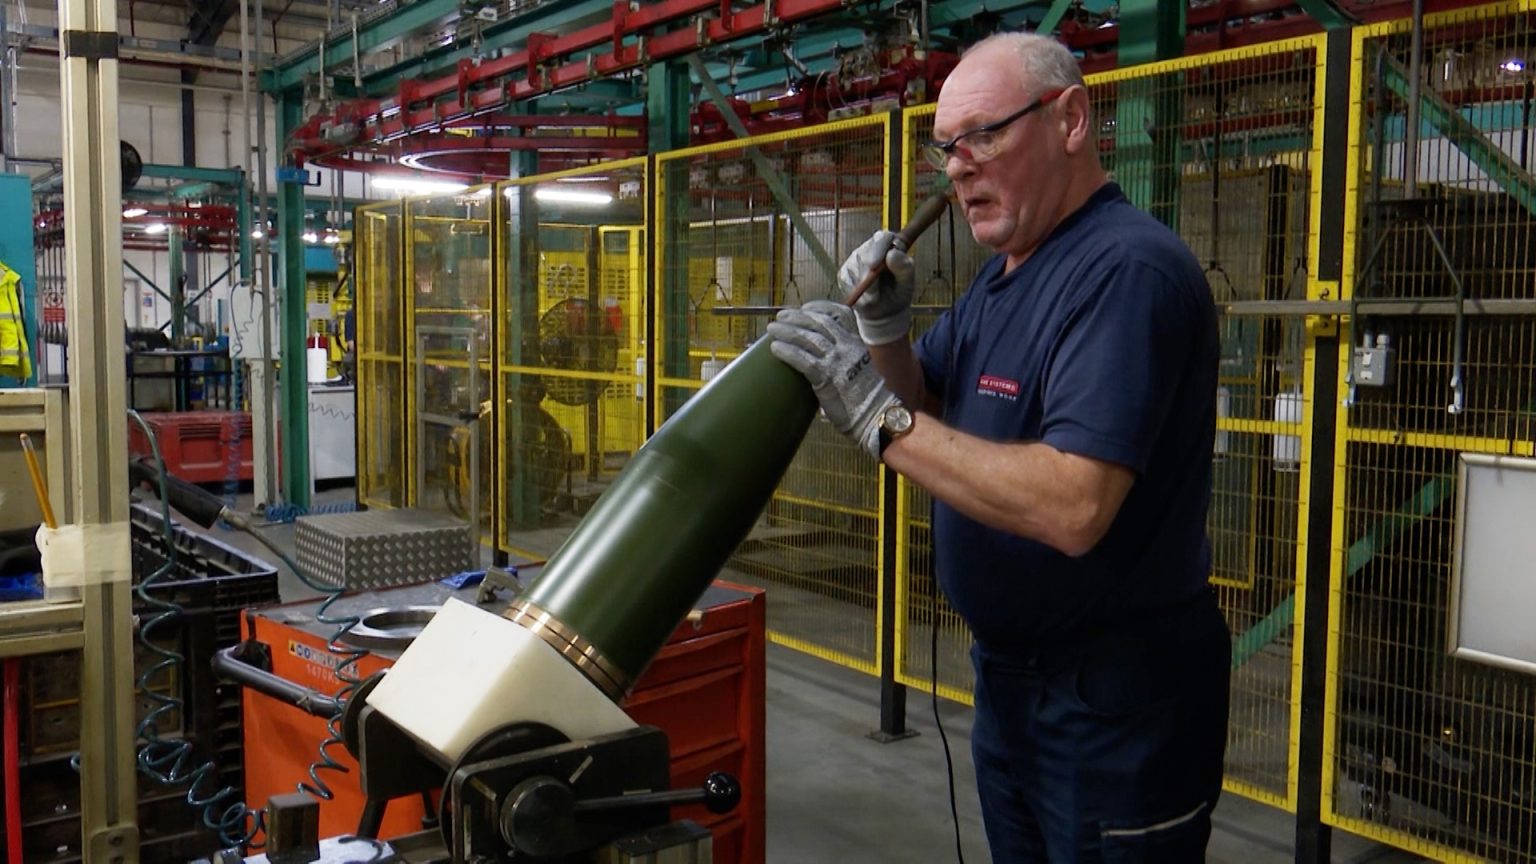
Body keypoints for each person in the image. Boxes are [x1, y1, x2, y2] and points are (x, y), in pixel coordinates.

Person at [766, 31, 1230, 864]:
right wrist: (884, 333)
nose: (957, 166)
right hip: (1015, 687)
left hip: (1114, 706)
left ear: (1071, 119)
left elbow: (1074, 504)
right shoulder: (1007, 273)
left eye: (984, 134)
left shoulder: (1126, 272)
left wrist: (877, 420)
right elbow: (927, 402)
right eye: (947, 147)